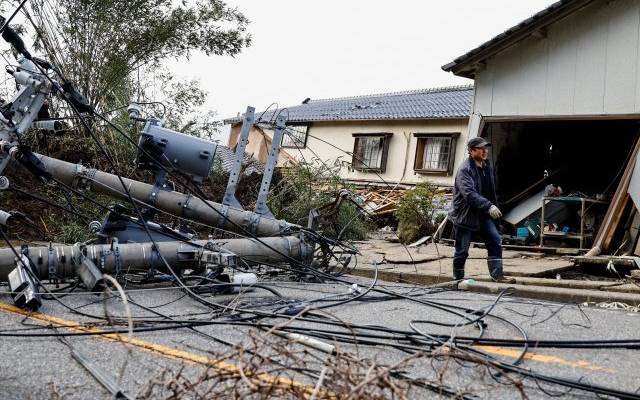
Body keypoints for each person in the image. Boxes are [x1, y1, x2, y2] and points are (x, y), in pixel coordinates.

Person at [448, 137, 515, 283]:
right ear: (471, 151)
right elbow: (469, 194)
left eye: (486, 148)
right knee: (462, 250)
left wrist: (494, 207)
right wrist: (488, 206)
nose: (485, 151)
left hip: (483, 214)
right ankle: (457, 278)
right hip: (466, 214)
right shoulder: (465, 170)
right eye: (481, 148)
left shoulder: (486, 167)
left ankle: (497, 275)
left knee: (495, 239)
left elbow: (490, 191)